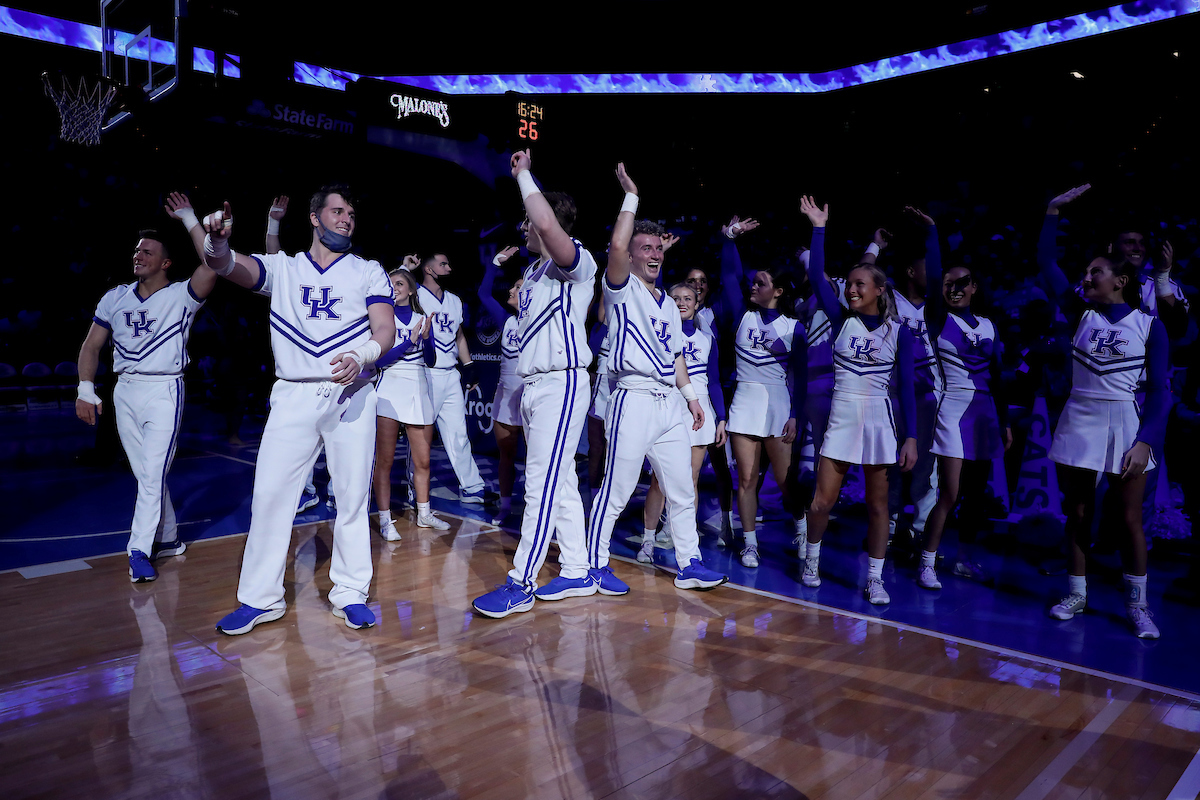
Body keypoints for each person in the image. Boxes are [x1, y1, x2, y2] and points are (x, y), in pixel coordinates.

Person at [200, 185, 396, 634]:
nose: (346, 218)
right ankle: (260, 599)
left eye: (351, 213)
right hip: (293, 392)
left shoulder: (368, 271)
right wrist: (217, 240)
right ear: (314, 217)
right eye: (337, 211)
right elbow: (225, 265)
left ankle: (349, 592)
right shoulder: (283, 268)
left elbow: (384, 326)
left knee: (351, 497)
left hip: (353, 392)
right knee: (270, 496)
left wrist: (364, 354)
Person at [573, 163, 728, 598]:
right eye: (646, 247)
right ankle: (595, 562)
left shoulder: (668, 302)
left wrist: (692, 398)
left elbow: (676, 355)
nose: (654, 252)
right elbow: (617, 245)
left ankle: (689, 563)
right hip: (633, 397)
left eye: (658, 246)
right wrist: (631, 197)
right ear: (632, 254)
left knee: (682, 487)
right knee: (618, 487)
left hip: (670, 403)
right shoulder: (622, 289)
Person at [1038, 184, 1168, 639]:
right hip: (1080, 418)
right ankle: (1077, 592)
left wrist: (1146, 441)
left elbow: (1161, 394)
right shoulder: (1079, 313)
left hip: (1127, 425)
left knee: (1129, 520)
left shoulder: (1150, 327)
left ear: (1121, 281)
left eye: (1095, 273)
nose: (1087, 278)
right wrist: (1053, 210)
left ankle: (1138, 605)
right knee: (1076, 513)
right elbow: (1046, 264)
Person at [471, 150, 596, 618]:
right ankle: (578, 568)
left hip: (561, 384)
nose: (523, 228)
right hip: (535, 387)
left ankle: (521, 580)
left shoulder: (576, 262)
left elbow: (546, 223)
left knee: (539, 483)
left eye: (527, 222)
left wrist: (523, 175)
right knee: (559, 481)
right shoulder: (532, 272)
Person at [75, 192, 217, 583]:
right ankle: (169, 539)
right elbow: (91, 346)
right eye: (137, 251)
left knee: (152, 474)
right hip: (124, 393)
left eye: (148, 252)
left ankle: (138, 549)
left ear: (165, 263)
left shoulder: (182, 296)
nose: (138, 256)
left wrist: (190, 219)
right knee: (146, 476)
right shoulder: (114, 297)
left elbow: (212, 263)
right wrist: (86, 389)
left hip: (164, 391)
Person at [800, 195, 918, 605]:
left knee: (878, 506)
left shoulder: (898, 332)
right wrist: (819, 227)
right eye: (849, 284)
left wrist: (912, 437)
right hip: (843, 414)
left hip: (881, 421)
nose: (851, 289)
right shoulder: (841, 320)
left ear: (878, 291)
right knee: (822, 501)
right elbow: (817, 275)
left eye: (859, 285)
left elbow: (905, 387)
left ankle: (875, 577)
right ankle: (811, 559)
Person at [908, 207, 1012, 589]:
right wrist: (933, 232)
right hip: (952, 410)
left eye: (961, 282)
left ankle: (965, 559)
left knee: (975, 493)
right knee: (949, 492)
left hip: (985, 415)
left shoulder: (988, 325)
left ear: (974, 287)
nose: (952, 287)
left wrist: (1003, 421)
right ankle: (928, 562)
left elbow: (998, 377)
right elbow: (934, 279)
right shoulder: (938, 318)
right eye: (948, 282)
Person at [719, 219, 807, 569]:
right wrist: (730, 239)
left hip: (779, 406)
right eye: (753, 281)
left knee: (786, 483)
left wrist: (795, 415)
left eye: (761, 283)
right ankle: (750, 542)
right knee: (746, 479)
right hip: (745, 401)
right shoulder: (742, 314)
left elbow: (799, 378)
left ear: (779, 291)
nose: (753, 286)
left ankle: (801, 528)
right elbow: (728, 276)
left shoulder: (794, 328)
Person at [638, 282, 728, 563]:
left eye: (688, 298)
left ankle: (681, 541)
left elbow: (713, 381)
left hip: (698, 410)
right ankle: (648, 541)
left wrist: (722, 417)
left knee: (689, 481)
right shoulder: (658, 334)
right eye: (675, 298)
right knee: (659, 480)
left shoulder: (707, 339)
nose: (681, 303)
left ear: (697, 303)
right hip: (667, 404)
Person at [878, 218, 940, 553]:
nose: (934, 273)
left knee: (925, 471)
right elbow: (865, 276)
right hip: (892, 394)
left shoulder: (937, 308)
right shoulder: (888, 298)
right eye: (926, 267)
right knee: (890, 465)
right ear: (911, 272)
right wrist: (876, 246)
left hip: (928, 396)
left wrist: (933, 234)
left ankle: (919, 533)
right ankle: (888, 530)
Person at [373, 267, 448, 540]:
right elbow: (378, 360)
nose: (395, 287)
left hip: (417, 386)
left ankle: (424, 513)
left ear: (412, 289)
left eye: (400, 283)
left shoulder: (421, 318)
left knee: (423, 460)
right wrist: (410, 342)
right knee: (385, 460)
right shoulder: (383, 319)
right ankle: (384, 519)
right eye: (391, 283)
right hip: (390, 387)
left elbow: (431, 360)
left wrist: (426, 339)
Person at [415, 252, 491, 504]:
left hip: (450, 374)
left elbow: (459, 336)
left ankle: (472, 487)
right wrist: (404, 268)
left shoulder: (455, 301)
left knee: (458, 433)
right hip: (422, 373)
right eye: (443, 264)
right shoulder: (415, 295)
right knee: (420, 436)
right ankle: (414, 488)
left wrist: (468, 366)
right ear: (428, 269)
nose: (449, 268)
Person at [477, 245, 524, 524]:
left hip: (531, 398)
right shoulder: (506, 322)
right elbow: (484, 294)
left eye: (517, 288)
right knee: (505, 457)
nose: (510, 291)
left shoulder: (543, 324)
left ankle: (536, 509)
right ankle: (506, 507)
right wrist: (495, 263)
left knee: (536, 461)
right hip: (506, 396)